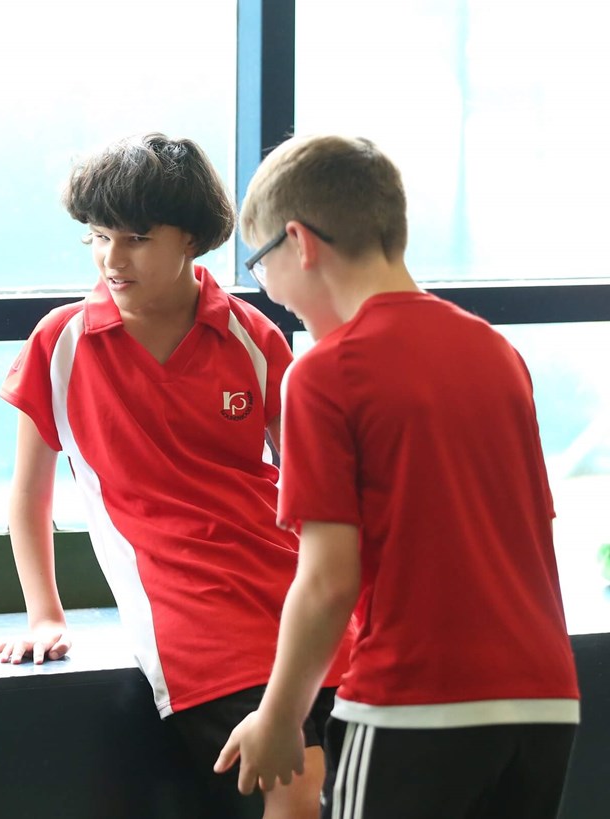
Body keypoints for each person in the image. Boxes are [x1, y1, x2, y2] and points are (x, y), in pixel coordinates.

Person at [214, 134, 581, 818]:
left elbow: (327, 580)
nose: (267, 288)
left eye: (258, 261)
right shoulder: (496, 352)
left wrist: (279, 717)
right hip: (544, 701)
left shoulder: (325, 373)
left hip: (416, 705)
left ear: (300, 242)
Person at [0, 132, 351, 818]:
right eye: (97, 237)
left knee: (355, 788)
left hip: (298, 599)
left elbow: (317, 488)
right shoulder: (60, 342)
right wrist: (44, 612)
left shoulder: (253, 335)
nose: (111, 259)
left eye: (134, 237)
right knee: (301, 793)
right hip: (192, 621)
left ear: (191, 238)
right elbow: (30, 494)